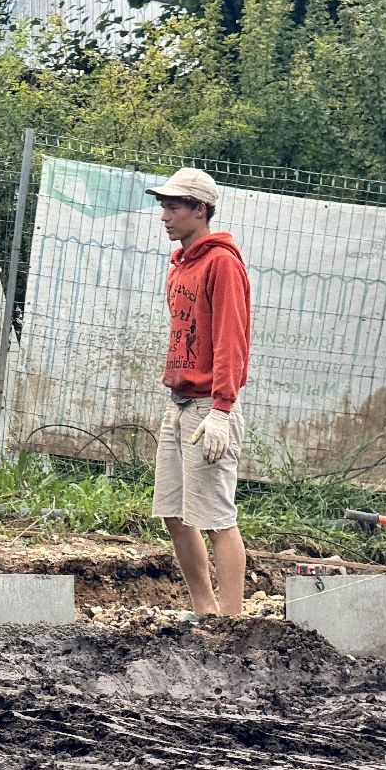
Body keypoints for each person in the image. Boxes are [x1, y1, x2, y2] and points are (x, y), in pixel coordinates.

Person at [147, 167, 251, 616]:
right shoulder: (180, 265)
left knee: (215, 517)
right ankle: (204, 611)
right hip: (179, 402)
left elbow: (232, 339)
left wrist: (222, 410)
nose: (165, 216)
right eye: (163, 207)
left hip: (210, 407)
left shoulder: (222, 263)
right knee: (173, 512)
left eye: (173, 207)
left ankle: (231, 622)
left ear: (200, 210)